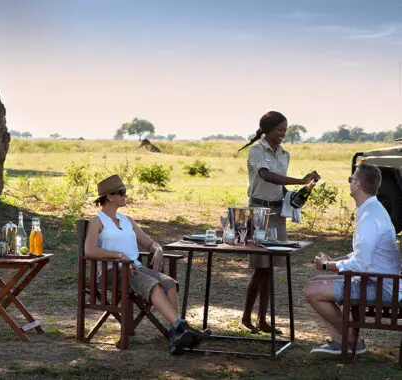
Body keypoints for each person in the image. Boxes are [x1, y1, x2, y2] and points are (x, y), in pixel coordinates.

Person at [84, 174, 211, 354]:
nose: (125, 196)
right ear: (109, 196)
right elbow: (89, 250)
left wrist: (158, 249)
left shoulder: (127, 221)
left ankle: (175, 336)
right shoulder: (97, 221)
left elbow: (149, 243)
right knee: (154, 286)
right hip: (112, 271)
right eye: (121, 193)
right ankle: (181, 329)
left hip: (135, 268)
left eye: (125, 192)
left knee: (169, 284)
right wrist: (118, 255)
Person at [304, 163, 402, 355]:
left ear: (357, 184)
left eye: (351, 179)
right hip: (379, 280)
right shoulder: (373, 210)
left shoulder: (369, 216)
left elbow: (360, 264)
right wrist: (334, 260)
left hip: (383, 287)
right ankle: (339, 340)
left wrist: (327, 265)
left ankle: (352, 342)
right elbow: (363, 254)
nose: (350, 182)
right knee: (315, 283)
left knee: (312, 291)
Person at [238, 111, 320, 334]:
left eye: (285, 130)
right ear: (267, 130)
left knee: (270, 269)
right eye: (279, 130)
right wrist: (299, 179)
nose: (283, 134)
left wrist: (303, 189)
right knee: (259, 268)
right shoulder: (257, 151)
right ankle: (246, 317)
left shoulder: (284, 154)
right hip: (257, 211)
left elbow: (279, 186)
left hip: (276, 212)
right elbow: (266, 176)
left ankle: (263, 320)